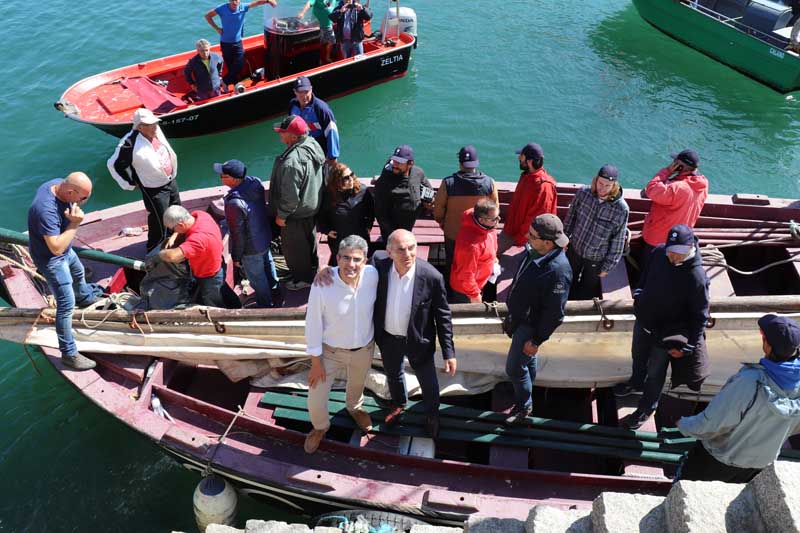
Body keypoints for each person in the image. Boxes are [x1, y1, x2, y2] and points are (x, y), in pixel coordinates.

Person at [676, 314, 800, 483]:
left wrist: (683, 425)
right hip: (758, 464)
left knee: (681, 493)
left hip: (719, 458)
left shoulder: (750, 382)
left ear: (768, 346)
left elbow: (712, 423)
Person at [618, 224, 710, 430]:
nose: (672, 257)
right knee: (638, 356)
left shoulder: (697, 278)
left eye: (678, 253)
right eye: (670, 250)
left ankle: (646, 407)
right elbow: (645, 275)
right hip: (644, 323)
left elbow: (700, 316)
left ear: (689, 249)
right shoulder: (660, 252)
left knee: (656, 372)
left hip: (665, 334)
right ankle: (634, 383)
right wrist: (639, 293)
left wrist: (690, 346)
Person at [374, 230, 456, 438]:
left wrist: (449, 352)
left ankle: (432, 413)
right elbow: (351, 269)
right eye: (401, 249)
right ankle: (399, 404)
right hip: (388, 338)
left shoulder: (431, 276)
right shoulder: (378, 266)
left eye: (412, 248)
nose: (408, 254)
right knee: (394, 375)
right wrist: (326, 272)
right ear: (389, 252)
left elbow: (443, 315)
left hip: (419, 341)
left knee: (428, 381)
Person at [303, 235, 378, 453]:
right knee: (315, 401)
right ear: (337, 258)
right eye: (345, 258)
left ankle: (354, 408)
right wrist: (316, 363)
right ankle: (320, 427)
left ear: (365, 261)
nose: (351, 265)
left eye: (357, 259)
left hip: (363, 350)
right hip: (330, 353)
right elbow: (313, 325)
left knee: (356, 387)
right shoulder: (323, 284)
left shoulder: (373, 276)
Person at [503, 214, 572, 425]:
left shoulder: (559, 272)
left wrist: (537, 340)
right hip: (520, 318)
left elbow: (555, 314)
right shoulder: (534, 252)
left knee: (514, 368)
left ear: (547, 242)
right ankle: (527, 384)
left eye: (532, 235)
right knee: (526, 361)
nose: (527, 237)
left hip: (530, 326)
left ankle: (524, 407)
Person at [27, 173, 98, 370]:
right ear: (70, 191)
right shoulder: (45, 210)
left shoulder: (56, 184)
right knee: (66, 305)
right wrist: (75, 223)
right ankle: (69, 353)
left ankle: (84, 297)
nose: (84, 202)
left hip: (66, 251)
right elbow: (56, 248)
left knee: (79, 273)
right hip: (52, 259)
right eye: (83, 198)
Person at [107, 108, 181, 253]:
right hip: (154, 189)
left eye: (155, 123)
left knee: (177, 210)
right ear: (140, 127)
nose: (155, 126)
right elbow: (114, 164)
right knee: (159, 221)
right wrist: (129, 184)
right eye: (150, 124)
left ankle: (176, 239)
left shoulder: (155, 130)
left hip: (170, 180)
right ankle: (154, 250)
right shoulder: (129, 143)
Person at [269, 115, 326, 290]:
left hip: (295, 214)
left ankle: (304, 280)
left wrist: (282, 215)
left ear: (294, 137)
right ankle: (313, 270)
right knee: (310, 243)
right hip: (311, 208)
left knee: (295, 250)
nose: (280, 135)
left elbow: (290, 197)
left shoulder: (292, 162)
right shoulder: (312, 144)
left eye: (283, 133)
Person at [216, 159, 278, 308]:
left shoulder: (234, 203)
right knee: (268, 264)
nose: (220, 177)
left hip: (250, 248)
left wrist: (236, 257)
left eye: (223, 175)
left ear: (233, 179)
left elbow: (238, 234)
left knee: (257, 278)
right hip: (264, 236)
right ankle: (276, 291)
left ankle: (266, 305)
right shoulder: (255, 183)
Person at [562, 164, 630, 300]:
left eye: (607, 185)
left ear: (614, 185)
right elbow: (570, 218)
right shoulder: (583, 193)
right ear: (595, 180)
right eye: (600, 183)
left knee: (586, 290)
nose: (602, 188)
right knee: (567, 280)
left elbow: (618, 240)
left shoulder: (621, 209)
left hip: (597, 258)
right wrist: (563, 240)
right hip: (574, 249)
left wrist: (607, 267)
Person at [433, 145, 499, 280]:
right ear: (477, 163)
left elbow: (438, 209)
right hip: (478, 236)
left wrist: (442, 222)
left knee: (452, 262)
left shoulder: (448, 183)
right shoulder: (489, 183)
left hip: (453, 234)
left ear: (460, 163)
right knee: (477, 264)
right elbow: (495, 210)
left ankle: (451, 288)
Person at [156, 206, 239, 308]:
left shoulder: (198, 239)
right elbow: (185, 225)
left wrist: (159, 254)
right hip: (218, 264)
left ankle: (225, 319)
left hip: (209, 276)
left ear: (181, 225)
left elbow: (171, 256)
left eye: (173, 229)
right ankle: (237, 305)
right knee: (223, 289)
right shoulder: (200, 215)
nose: (173, 231)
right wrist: (175, 235)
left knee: (214, 303)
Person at [641, 149, 708, 251]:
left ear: (680, 166)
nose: (672, 163)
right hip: (680, 239)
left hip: (658, 240)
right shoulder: (704, 184)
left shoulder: (676, 188)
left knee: (650, 265)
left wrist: (666, 171)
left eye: (675, 162)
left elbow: (651, 190)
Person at [497, 143, 558, 255]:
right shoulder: (527, 175)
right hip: (511, 230)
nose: (519, 158)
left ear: (529, 161)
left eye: (522, 156)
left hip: (522, 240)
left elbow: (536, 221)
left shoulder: (543, 187)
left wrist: (518, 243)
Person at [205, 0, 275, 91]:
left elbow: (257, 3)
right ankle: (234, 85)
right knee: (231, 66)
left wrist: (268, 1)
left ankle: (224, 81)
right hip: (225, 43)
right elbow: (208, 16)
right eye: (232, 0)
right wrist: (217, 28)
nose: (234, 2)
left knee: (240, 63)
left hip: (238, 42)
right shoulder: (222, 8)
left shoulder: (243, 7)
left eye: (236, 0)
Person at [372, 144, 433, 246]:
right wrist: (396, 235)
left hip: (409, 225)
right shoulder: (384, 183)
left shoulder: (418, 173)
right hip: (392, 233)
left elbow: (428, 188)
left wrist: (428, 200)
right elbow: (381, 215)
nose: (395, 164)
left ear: (410, 164)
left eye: (399, 162)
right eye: (394, 160)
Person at [316, 162, 374, 264]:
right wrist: (326, 230)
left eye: (351, 175)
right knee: (342, 263)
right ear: (337, 181)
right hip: (339, 238)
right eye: (346, 178)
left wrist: (369, 225)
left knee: (361, 261)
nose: (351, 179)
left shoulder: (363, 191)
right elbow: (320, 216)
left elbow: (371, 210)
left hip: (360, 235)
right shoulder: (328, 195)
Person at [449, 199, 500, 304]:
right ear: (481, 220)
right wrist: (475, 295)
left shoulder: (490, 228)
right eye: (494, 219)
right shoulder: (471, 246)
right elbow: (465, 274)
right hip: (465, 291)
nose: (498, 221)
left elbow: (491, 244)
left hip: (480, 282)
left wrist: (493, 258)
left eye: (498, 217)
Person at [288, 76, 340, 165]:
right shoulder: (292, 106)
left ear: (311, 89)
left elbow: (332, 131)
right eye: (300, 92)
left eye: (306, 91)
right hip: (301, 150)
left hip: (320, 151)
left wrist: (332, 157)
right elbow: (291, 128)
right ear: (295, 92)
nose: (304, 96)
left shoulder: (321, 109)